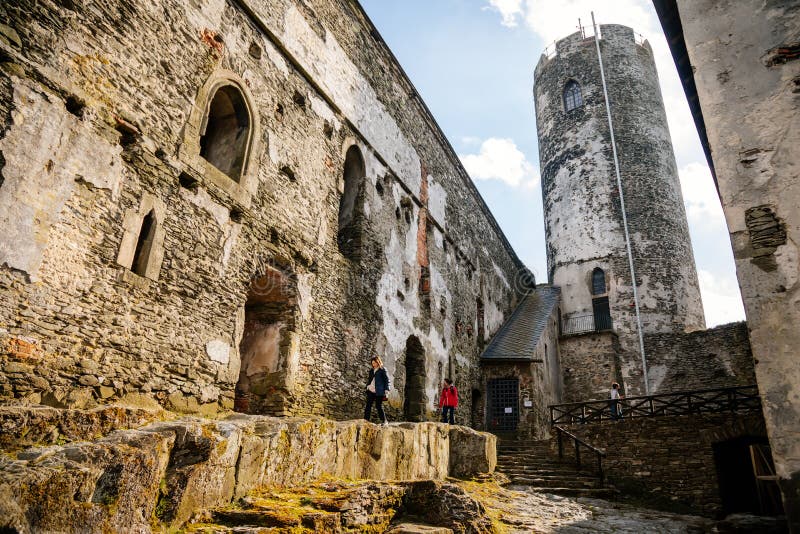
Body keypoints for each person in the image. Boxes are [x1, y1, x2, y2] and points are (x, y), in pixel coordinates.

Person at [364, 356, 390, 426]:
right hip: (371, 390)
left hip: (379, 391)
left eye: (375, 363)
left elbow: (387, 380)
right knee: (368, 406)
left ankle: (385, 421)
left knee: (379, 406)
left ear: (378, 362)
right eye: (372, 363)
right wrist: (367, 386)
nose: (373, 364)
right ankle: (365, 420)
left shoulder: (382, 369)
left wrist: (387, 389)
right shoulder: (371, 371)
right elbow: (370, 380)